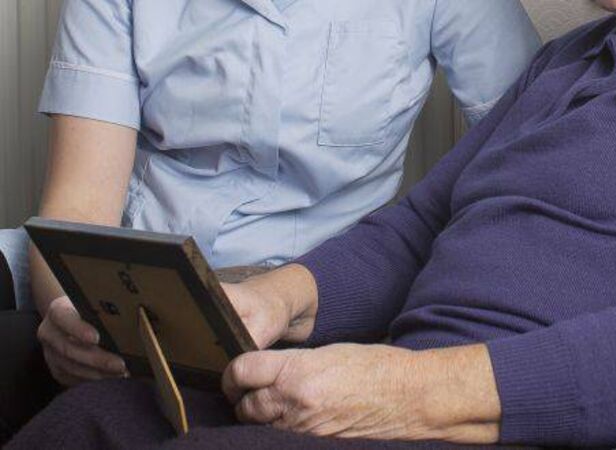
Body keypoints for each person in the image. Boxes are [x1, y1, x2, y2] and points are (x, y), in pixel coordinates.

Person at [9, 0, 616, 447]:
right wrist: (272, 302)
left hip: (493, 409)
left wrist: (407, 390)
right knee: (91, 421)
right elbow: (415, 228)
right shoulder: (570, 59)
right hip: (406, 378)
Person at [0, 0, 540, 389]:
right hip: (133, 279)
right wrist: (72, 318)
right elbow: (77, 209)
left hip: (298, 298)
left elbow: (539, 151)